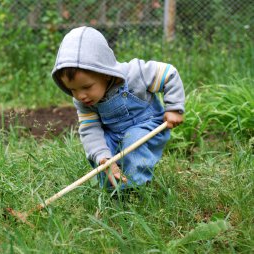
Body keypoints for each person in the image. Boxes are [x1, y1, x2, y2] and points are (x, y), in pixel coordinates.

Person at [51, 26, 185, 189]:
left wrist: (174, 108)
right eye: (72, 90)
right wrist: (102, 157)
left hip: (147, 125)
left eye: (86, 87)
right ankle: (114, 190)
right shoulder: (83, 102)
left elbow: (169, 74)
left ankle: (135, 191)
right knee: (99, 154)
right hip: (114, 134)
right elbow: (90, 129)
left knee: (133, 143)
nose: (80, 96)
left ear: (105, 73)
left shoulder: (135, 73)